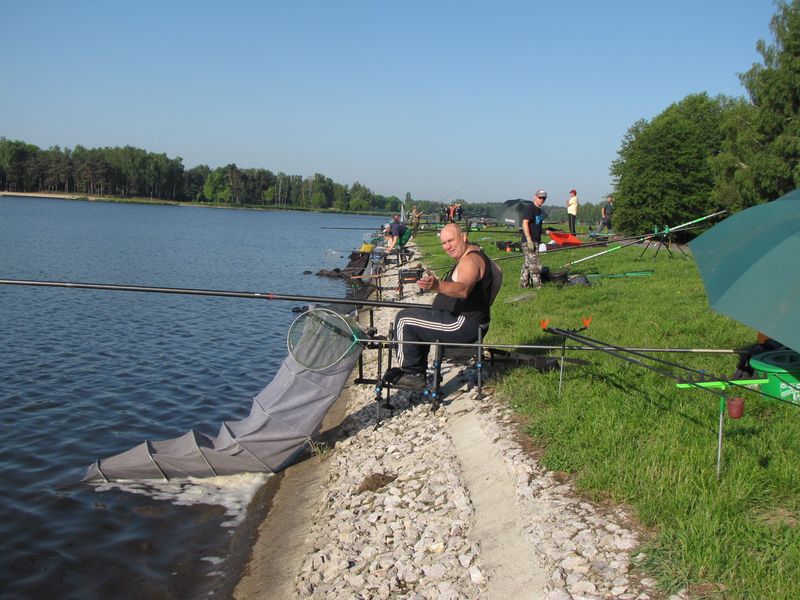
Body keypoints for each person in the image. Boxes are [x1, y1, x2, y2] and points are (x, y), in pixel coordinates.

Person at [392, 223, 496, 390]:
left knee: (404, 319)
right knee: (416, 315)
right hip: (466, 320)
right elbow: (497, 275)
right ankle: (418, 371)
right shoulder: (473, 254)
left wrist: (437, 286)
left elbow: (463, 289)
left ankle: (412, 374)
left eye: (451, 241)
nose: (448, 247)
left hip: (463, 324)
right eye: (444, 243)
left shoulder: (470, 260)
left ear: (463, 237)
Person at [520, 189, 546, 288]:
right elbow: (525, 223)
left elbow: (536, 225)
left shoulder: (539, 210)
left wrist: (545, 231)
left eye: (544, 198)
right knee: (535, 264)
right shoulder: (529, 208)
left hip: (536, 240)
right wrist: (529, 239)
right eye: (540, 197)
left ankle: (523, 285)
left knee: (528, 264)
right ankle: (538, 285)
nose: (542, 200)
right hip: (529, 241)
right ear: (535, 197)